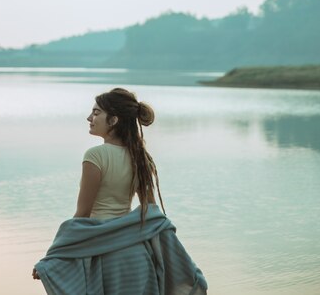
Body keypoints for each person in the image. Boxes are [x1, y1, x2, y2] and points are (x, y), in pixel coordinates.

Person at [32, 87, 207, 295]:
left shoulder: (95, 156)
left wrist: (51, 258)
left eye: (96, 113)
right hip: (137, 254)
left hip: (106, 255)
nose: (89, 117)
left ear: (113, 120)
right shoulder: (140, 157)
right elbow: (151, 210)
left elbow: (82, 215)